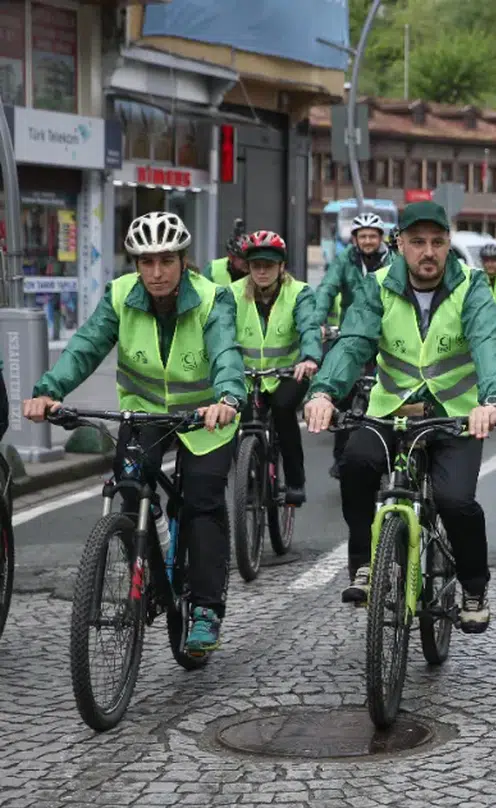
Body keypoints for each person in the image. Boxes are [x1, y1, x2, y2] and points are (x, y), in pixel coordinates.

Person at [25, 212, 244, 654]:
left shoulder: (211, 297)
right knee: (130, 486)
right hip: (143, 414)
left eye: (165, 260)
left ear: (183, 261)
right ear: (135, 265)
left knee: (202, 500)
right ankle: (150, 559)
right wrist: (48, 392)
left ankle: (205, 608)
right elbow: (86, 346)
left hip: (206, 417)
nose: (156, 272)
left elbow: (225, 352)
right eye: (146, 262)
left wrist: (227, 399)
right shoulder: (121, 295)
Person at [302, 200, 496, 630]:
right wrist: (323, 392)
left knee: (456, 501)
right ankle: (362, 561)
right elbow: (354, 342)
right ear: (399, 245)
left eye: (437, 242)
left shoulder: (472, 285)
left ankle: (473, 586)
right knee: (356, 464)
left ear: (449, 243)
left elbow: (488, 343)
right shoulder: (376, 285)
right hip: (392, 408)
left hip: (457, 414)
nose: (428, 252)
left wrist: (491, 401)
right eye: (417, 242)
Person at [231, 230, 322, 505]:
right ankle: (247, 479)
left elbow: (309, 327)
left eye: (269, 265)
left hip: (289, 373)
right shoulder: (232, 294)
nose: (262, 271)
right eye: (256, 265)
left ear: (281, 266)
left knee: (283, 410)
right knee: (241, 417)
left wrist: (309, 357)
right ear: (247, 267)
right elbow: (220, 331)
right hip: (247, 375)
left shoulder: (299, 293)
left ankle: (295, 481)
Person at [314, 212, 393, 479]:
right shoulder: (345, 261)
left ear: (381, 238)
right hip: (353, 330)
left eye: (373, 236)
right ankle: (341, 457)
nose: (368, 241)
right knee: (345, 391)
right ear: (355, 239)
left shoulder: (392, 260)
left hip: (385, 331)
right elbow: (327, 288)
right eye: (363, 236)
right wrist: (317, 321)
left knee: (387, 386)